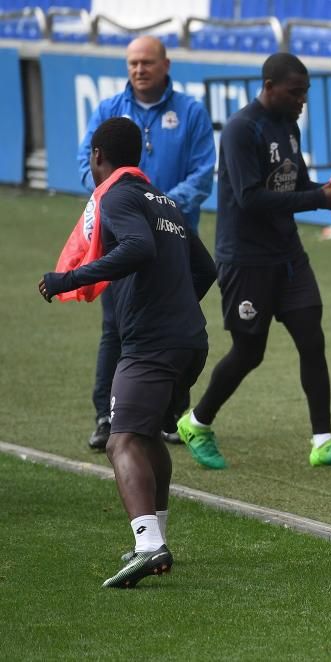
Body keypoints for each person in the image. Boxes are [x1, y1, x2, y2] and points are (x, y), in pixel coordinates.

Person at [41, 117, 216, 587]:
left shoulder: (116, 196)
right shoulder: (165, 201)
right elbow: (207, 268)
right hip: (189, 340)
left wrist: (69, 279)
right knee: (148, 436)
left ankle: (148, 545)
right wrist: (176, 306)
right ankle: (153, 536)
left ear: (98, 157)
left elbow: (137, 247)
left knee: (121, 440)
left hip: (152, 344)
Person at [174, 53, 331, 470]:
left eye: (305, 92)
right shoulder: (241, 130)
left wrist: (327, 188)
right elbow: (250, 199)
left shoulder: (287, 124)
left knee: (312, 341)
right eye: (295, 91)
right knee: (249, 352)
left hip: (288, 256)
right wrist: (319, 199)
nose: (302, 99)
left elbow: (295, 184)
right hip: (245, 260)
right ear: (269, 86)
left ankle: (323, 442)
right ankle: (196, 421)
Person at [78, 36, 215, 452]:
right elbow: (86, 165)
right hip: (119, 240)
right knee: (115, 327)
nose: (139, 69)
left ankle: (171, 413)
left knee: (178, 320)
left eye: (147, 62)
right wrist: (119, 199)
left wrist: (160, 208)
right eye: (133, 62)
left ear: (166, 64)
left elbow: (204, 172)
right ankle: (107, 415)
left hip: (175, 242)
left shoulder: (190, 111)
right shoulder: (108, 110)